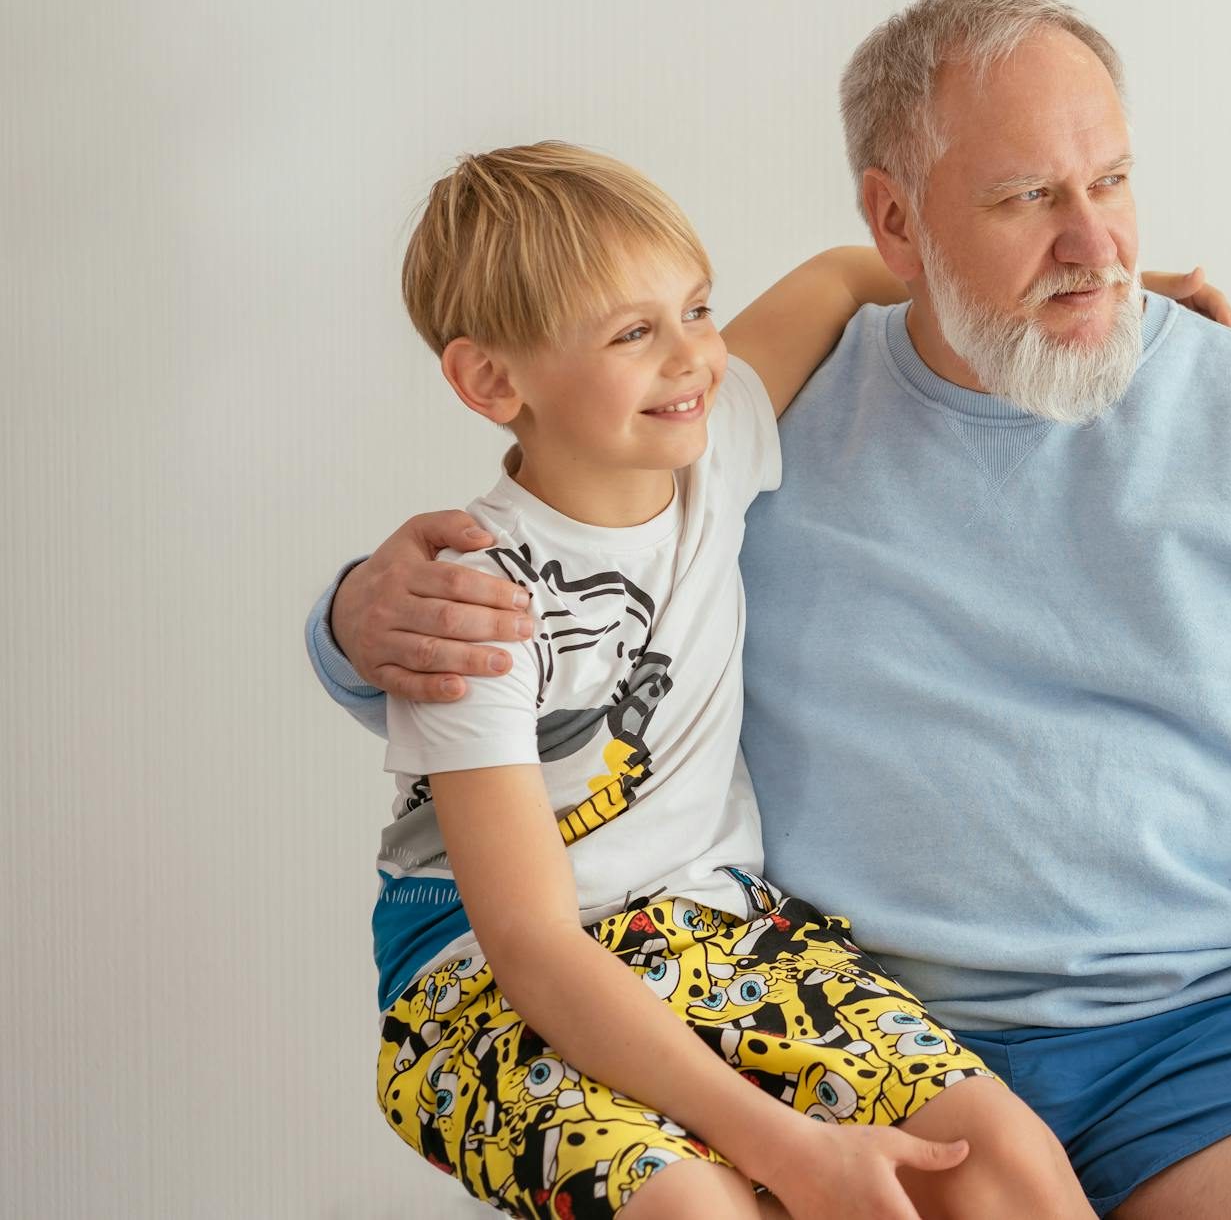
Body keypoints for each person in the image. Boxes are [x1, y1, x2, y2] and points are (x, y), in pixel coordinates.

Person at [311, 0, 1231, 1220]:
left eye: (1109, 182)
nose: (1092, 243)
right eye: (1022, 200)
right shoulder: (747, 435)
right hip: (831, 1028)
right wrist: (359, 619)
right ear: (895, 221)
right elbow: (552, 622)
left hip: (1204, 1044)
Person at [362, 140, 1108, 1220]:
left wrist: (1104, 295)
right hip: (487, 985)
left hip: (714, 935)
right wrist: (786, 1146)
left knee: (1000, 1156)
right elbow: (530, 941)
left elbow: (848, 271)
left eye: (698, 309)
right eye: (633, 332)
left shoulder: (719, 442)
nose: (692, 358)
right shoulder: (470, 609)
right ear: (490, 380)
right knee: (694, 1206)